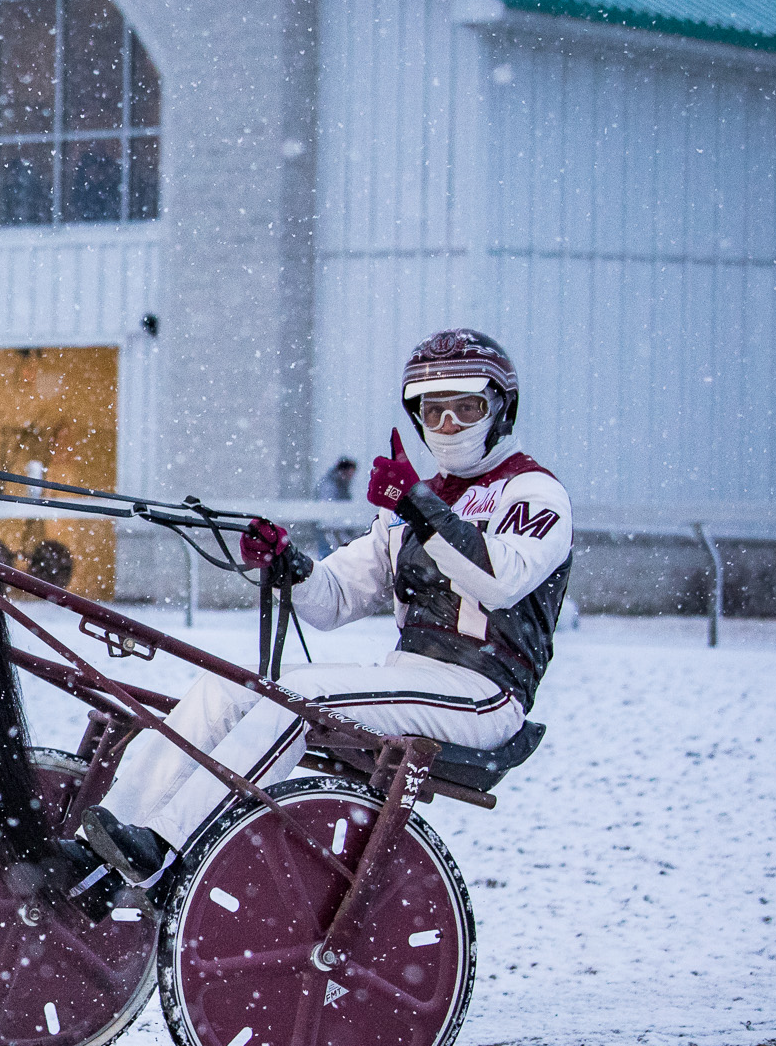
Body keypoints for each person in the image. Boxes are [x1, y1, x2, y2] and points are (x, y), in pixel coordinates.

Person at [77, 330, 572, 884]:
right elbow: (334, 600)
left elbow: (503, 579)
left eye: (467, 407)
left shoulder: (532, 491)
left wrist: (421, 505)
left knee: (302, 697)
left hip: (483, 695)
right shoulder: (412, 501)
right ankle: (100, 851)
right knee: (228, 685)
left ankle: (170, 844)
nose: (450, 424)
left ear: (500, 407)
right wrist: (290, 566)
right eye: (434, 412)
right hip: (408, 681)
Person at [312, 455, 360, 556]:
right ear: (343, 470)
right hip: (327, 527)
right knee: (327, 554)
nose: (351, 476)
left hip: (333, 526)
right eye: (350, 472)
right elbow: (328, 508)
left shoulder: (340, 484)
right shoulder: (330, 485)